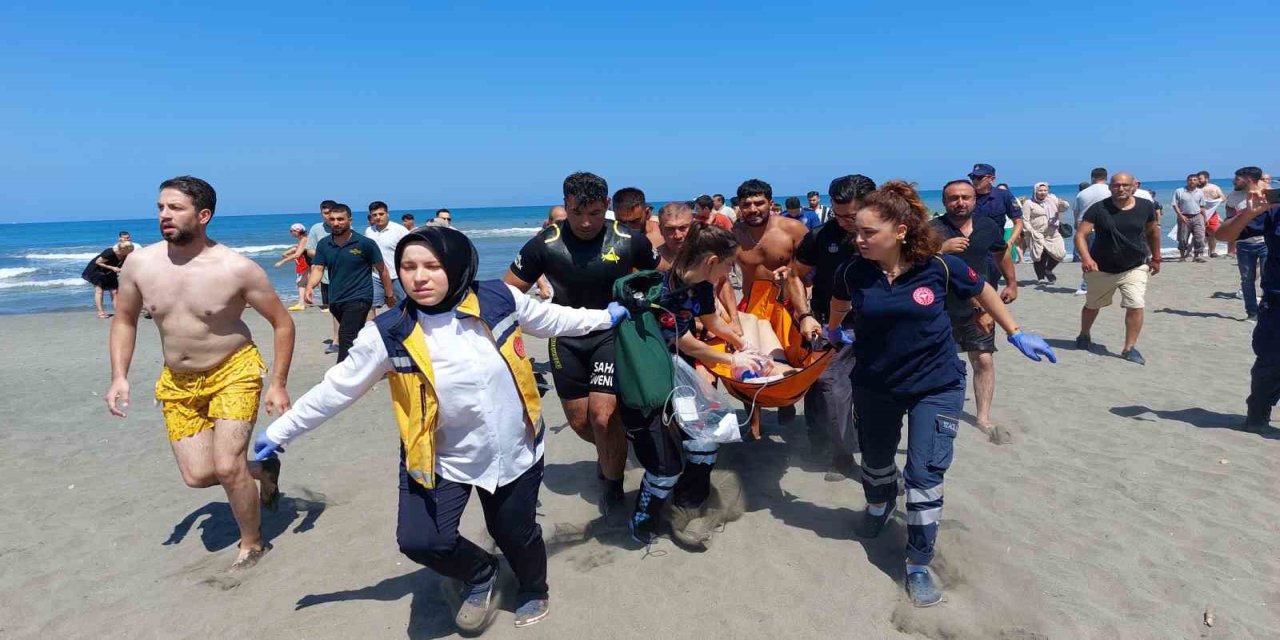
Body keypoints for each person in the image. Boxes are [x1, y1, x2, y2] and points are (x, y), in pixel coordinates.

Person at [252, 226, 629, 632]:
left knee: (515, 534)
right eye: (408, 267)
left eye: (432, 266)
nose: (418, 277)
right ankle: (481, 572)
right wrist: (279, 432)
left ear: (456, 265)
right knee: (421, 540)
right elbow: (337, 388)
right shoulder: (390, 331)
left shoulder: (499, 299)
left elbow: (552, 317)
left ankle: (533, 588)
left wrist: (603, 317)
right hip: (437, 455)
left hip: (513, 447)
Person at [827, 181, 1054, 607]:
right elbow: (840, 301)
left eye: (867, 233)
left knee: (924, 473)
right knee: (875, 463)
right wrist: (833, 328)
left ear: (900, 231)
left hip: (936, 384)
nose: (857, 240)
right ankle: (878, 505)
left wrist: (1016, 332)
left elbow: (982, 289)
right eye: (855, 232)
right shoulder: (853, 270)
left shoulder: (939, 266)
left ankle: (917, 562)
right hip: (876, 385)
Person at [105, 176, 295, 571]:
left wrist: (277, 383)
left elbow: (282, 323)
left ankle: (253, 543)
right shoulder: (140, 264)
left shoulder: (236, 268)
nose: (164, 215)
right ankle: (262, 469)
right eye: (160, 207)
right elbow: (124, 319)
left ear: (203, 215)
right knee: (198, 476)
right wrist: (119, 375)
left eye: (175, 208)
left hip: (234, 370)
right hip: (178, 380)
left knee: (227, 466)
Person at [619, 223, 783, 547]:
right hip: (650, 376)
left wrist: (741, 344)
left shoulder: (703, 284)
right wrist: (731, 361)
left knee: (706, 440)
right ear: (711, 260)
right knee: (665, 466)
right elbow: (683, 341)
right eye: (728, 263)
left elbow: (711, 321)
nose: (730, 270)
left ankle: (688, 504)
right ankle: (644, 517)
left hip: (680, 370)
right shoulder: (664, 290)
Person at [503, 172, 659, 512]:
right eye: (576, 213)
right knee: (581, 423)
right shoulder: (545, 243)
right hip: (566, 338)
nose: (586, 222)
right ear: (565, 206)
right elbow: (509, 292)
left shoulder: (629, 240)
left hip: (611, 335)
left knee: (602, 417)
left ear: (605, 205)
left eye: (593, 213)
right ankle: (613, 449)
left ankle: (613, 485)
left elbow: (658, 280)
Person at [790, 174, 877, 479]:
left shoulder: (889, 235)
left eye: (851, 216)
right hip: (832, 325)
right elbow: (794, 276)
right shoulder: (819, 236)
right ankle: (840, 456)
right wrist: (804, 315)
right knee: (831, 388)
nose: (843, 222)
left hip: (880, 327)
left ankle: (878, 461)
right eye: (838, 215)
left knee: (874, 395)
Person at [931, 180, 1018, 442]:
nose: (960, 202)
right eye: (954, 198)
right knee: (940, 362)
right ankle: (937, 411)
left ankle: (982, 417)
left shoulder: (988, 226)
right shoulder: (932, 230)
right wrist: (940, 249)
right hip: (941, 307)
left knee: (983, 359)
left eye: (965, 197)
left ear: (974, 200)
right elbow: (912, 262)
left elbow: (1002, 254)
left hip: (981, 306)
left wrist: (1012, 283)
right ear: (945, 202)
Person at [732, 178, 810, 423]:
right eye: (747, 204)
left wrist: (804, 304)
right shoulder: (733, 236)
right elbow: (719, 276)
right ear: (739, 207)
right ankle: (753, 424)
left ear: (770, 203)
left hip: (786, 303)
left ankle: (785, 402)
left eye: (759, 203)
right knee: (747, 363)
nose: (753, 209)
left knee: (791, 358)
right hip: (750, 305)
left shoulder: (793, 229)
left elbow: (813, 268)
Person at [1074, 172, 1161, 365]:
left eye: (1124, 185)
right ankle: (1084, 334)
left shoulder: (1146, 206)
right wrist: (1086, 258)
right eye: (1115, 185)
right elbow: (1080, 235)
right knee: (1092, 306)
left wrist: (1156, 258)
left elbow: (1153, 231)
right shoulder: (1098, 209)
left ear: (1133, 186)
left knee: (1136, 304)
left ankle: (1129, 348)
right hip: (1101, 268)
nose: (1120, 189)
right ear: (1110, 187)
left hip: (1135, 266)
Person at [1215, 187, 1280, 428]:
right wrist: (1250, 213)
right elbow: (1223, 235)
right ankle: (1258, 414)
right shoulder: (1273, 212)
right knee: (1270, 365)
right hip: (1277, 304)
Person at [305, 204, 395, 362]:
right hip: (336, 299)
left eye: (340, 219)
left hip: (360, 297)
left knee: (345, 336)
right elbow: (318, 268)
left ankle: (340, 376)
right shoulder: (324, 244)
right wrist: (310, 286)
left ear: (349, 220)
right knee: (355, 336)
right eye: (332, 219)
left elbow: (383, 270)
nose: (336, 223)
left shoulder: (365, 243)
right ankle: (375, 363)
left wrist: (389, 294)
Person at [1222, 167, 1269, 320]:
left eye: (1237, 179)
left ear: (1248, 179)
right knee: (1247, 280)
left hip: (1265, 243)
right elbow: (1228, 216)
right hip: (1243, 244)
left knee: (1268, 278)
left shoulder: (1266, 193)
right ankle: (1252, 313)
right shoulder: (1233, 196)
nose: (1234, 181)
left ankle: (1268, 311)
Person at [967, 164, 1023, 286]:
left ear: (992, 179)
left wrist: (1010, 242)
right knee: (971, 286)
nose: (975, 180)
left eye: (979, 177)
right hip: (970, 249)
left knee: (990, 285)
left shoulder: (1003, 196)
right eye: (972, 177)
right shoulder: (967, 196)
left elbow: (1018, 221)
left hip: (994, 251)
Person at [364, 200, 411, 316]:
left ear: (387, 214)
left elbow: (410, 252)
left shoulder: (400, 230)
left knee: (403, 305)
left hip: (396, 275)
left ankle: (405, 329)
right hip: (375, 276)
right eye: (374, 215)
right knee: (370, 305)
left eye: (381, 214)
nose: (378, 217)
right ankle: (371, 330)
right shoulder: (369, 231)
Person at [307, 200, 340, 351]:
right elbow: (310, 251)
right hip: (326, 275)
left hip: (345, 274)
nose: (329, 217)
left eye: (331, 213)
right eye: (325, 213)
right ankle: (336, 340)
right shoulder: (316, 229)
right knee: (335, 309)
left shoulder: (343, 225)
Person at [1021, 182, 1069, 283]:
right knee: (1038, 257)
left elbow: (1063, 208)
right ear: (1035, 191)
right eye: (1040, 190)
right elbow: (1025, 220)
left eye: (1045, 190)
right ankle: (1041, 278)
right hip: (1037, 233)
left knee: (1060, 254)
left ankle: (1048, 270)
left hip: (1053, 233)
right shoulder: (1029, 203)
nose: (1043, 193)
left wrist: (1063, 204)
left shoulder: (1052, 199)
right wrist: (1031, 231)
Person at [82, 240, 135, 318]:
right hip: (98, 271)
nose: (131, 252)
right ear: (123, 250)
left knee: (114, 291)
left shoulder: (125, 255)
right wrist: (113, 268)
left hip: (111, 271)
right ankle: (101, 312)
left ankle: (118, 312)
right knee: (99, 290)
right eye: (130, 251)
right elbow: (98, 262)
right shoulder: (110, 252)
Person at [272, 222, 311, 311]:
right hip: (308, 265)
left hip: (311, 264)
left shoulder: (304, 239)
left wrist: (282, 262)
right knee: (301, 283)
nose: (290, 233)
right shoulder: (303, 240)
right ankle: (301, 303)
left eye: (291, 231)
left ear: (297, 231)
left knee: (316, 283)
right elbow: (294, 253)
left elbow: (297, 254)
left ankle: (328, 304)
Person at [1173, 174, 1207, 262]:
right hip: (1184, 216)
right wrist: (1181, 216)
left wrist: (1205, 218)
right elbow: (1175, 205)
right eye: (1190, 180)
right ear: (1187, 181)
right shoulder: (1179, 191)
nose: (1192, 181)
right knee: (1183, 238)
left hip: (1197, 216)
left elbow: (1202, 206)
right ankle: (1182, 256)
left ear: (1198, 182)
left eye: (1194, 180)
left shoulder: (1200, 192)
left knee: (1199, 236)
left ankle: (1197, 256)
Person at [1198, 171, 1227, 257]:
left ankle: (1212, 252)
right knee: (1199, 233)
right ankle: (1199, 252)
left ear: (1206, 179)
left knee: (1213, 232)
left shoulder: (1214, 187)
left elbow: (1223, 198)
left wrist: (1214, 202)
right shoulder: (1195, 188)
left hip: (1212, 213)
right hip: (1198, 213)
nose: (1198, 181)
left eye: (1200, 179)